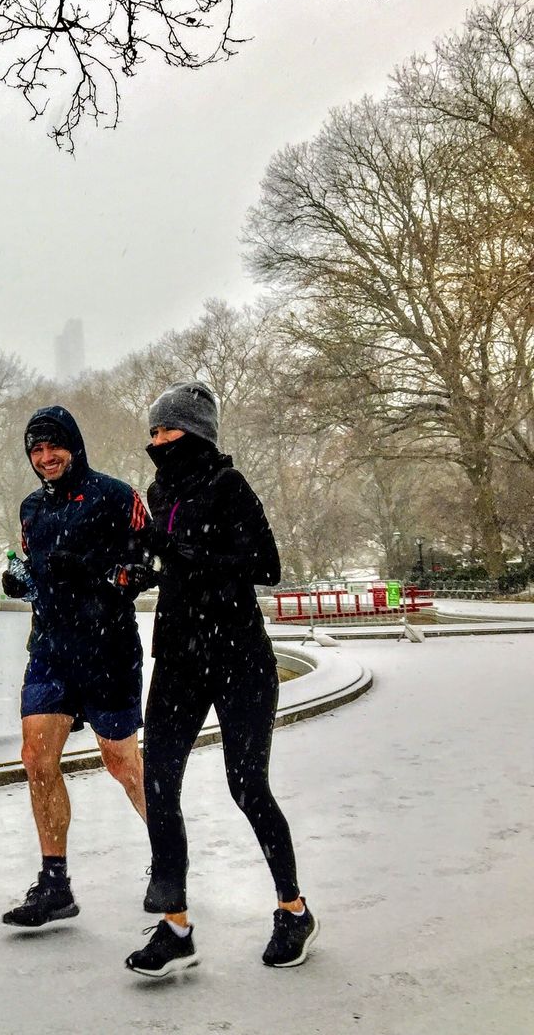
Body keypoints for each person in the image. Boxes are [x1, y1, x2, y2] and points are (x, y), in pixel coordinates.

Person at [121, 381, 317, 977]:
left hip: (239, 660)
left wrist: (178, 549)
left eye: (168, 430)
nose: (158, 441)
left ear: (197, 432)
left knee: (246, 787)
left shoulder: (229, 485)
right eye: (152, 432)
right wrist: (139, 570)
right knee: (159, 782)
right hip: (178, 658)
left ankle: (294, 909)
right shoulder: (158, 491)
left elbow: (267, 566)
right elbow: (170, 568)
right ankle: (174, 924)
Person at [0, 406, 153, 927]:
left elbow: (146, 568)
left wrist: (94, 574)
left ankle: (168, 859)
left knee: (122, 764)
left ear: (74, 445)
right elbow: (35, 569)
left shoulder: (117, 496)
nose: (44, 458)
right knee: (36, 758)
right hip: (50, 651)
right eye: (35, 451)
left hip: (107, 650)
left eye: (53, 447)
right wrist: (22, 581)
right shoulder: (31, 509)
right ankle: (54, 884)